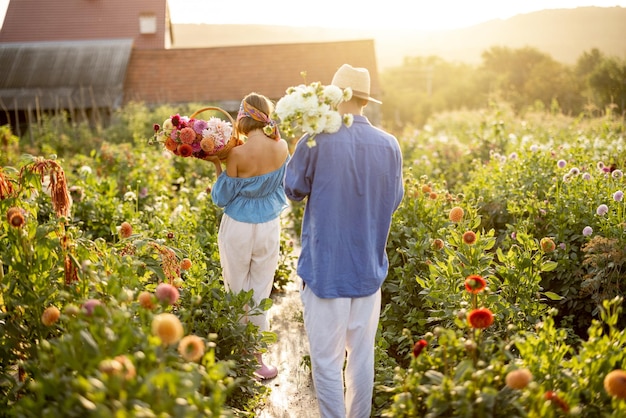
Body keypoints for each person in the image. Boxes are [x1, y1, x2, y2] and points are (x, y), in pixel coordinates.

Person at [284, 64, 404, 418]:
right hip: (368, 269)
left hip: (326, 271)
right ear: (366, 100)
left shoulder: (316, 138)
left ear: (337, 96)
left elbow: (293, 189)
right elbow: (394, 200)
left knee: (326, 361)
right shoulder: (389, 144)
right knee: (361, 359)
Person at [209, 92, 290, 380]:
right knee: (260, 289)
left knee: (236, 287)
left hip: (238, 227)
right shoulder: (281, 146)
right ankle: (258, 358)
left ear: (243, 117)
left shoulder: (236, 153)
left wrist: (217, 166)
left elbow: (221, 197)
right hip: (268, 225)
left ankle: (240, 356)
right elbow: (283, 185)